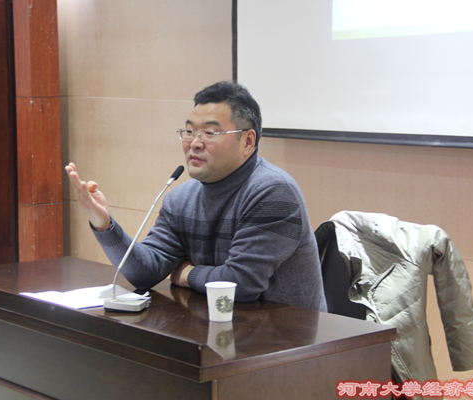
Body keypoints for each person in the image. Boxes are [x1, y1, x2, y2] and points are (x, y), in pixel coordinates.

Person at [66, 81, 327, 310]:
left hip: (286, 340)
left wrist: (186, 274)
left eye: (210, 133)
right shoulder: (182, 198)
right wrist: (104, 225)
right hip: (217, 328)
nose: (195, 142)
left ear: (248, 142)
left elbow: (240, 284)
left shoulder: (272, 192)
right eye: (189, 131)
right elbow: (146, 272)